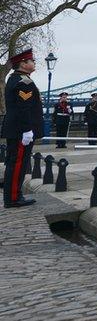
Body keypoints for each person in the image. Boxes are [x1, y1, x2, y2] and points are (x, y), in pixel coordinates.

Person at [2, 49, 42, 209]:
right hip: (21, 130)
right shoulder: (23, 82)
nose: (34, 63)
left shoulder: (15, 79)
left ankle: (15, 195)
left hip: (16, 128)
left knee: (17, 162)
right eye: (31, 61)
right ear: (23, 64)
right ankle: (13, 198)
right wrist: (27, 130)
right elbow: (23, 108)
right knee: (17, 163)